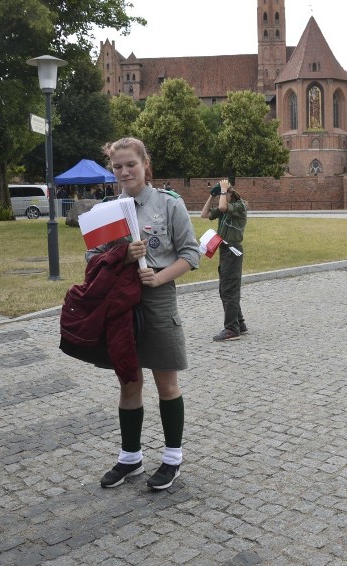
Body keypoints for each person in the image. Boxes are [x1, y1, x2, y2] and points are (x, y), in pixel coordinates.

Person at [88, 137, 200, 491]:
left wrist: (158, 276)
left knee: (166, 384)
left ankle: (172, 459)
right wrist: (121, 256)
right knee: (129, 383)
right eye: (117, 166)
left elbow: (191, 254)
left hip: (158, 301)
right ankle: (130, 457)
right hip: (122, 306)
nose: (124, 172)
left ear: (144, 164)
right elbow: (91, 260)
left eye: (130, 165)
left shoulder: (169, 205)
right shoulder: (107, 211)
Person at [201, 179, 249, 341]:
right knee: (226, 288)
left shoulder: (239, 206)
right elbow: (204, 214)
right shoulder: (224, 208)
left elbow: (222, 206)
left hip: (233, 251)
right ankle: (240, 324)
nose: (222, 196)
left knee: (229, 289)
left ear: (230, 193)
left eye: (224, 193)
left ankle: (232, 329)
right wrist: (211, 196)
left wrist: (222, 190)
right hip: (224, 250)